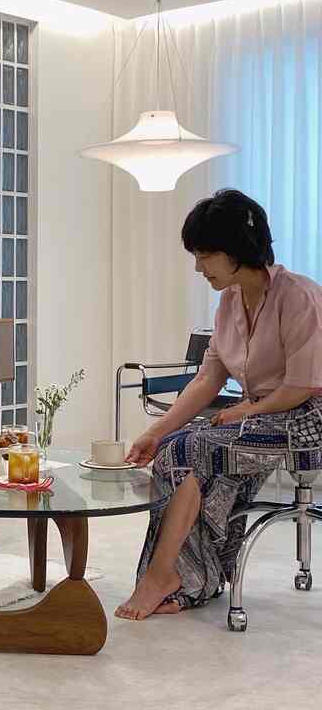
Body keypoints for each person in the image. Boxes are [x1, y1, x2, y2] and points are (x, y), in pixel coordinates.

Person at [116, 189, 322, 620]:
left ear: (237, 250)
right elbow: (209, 378)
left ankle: (162, 577)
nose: (198, 267)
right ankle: (191, 580)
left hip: (307, 418)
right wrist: (155, 431)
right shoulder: (229, 302)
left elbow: (303, 385)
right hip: (264, 415)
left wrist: (246, 411)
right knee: (176, 449)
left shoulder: (299, 296)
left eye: (205, 255)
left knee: (199, 448)